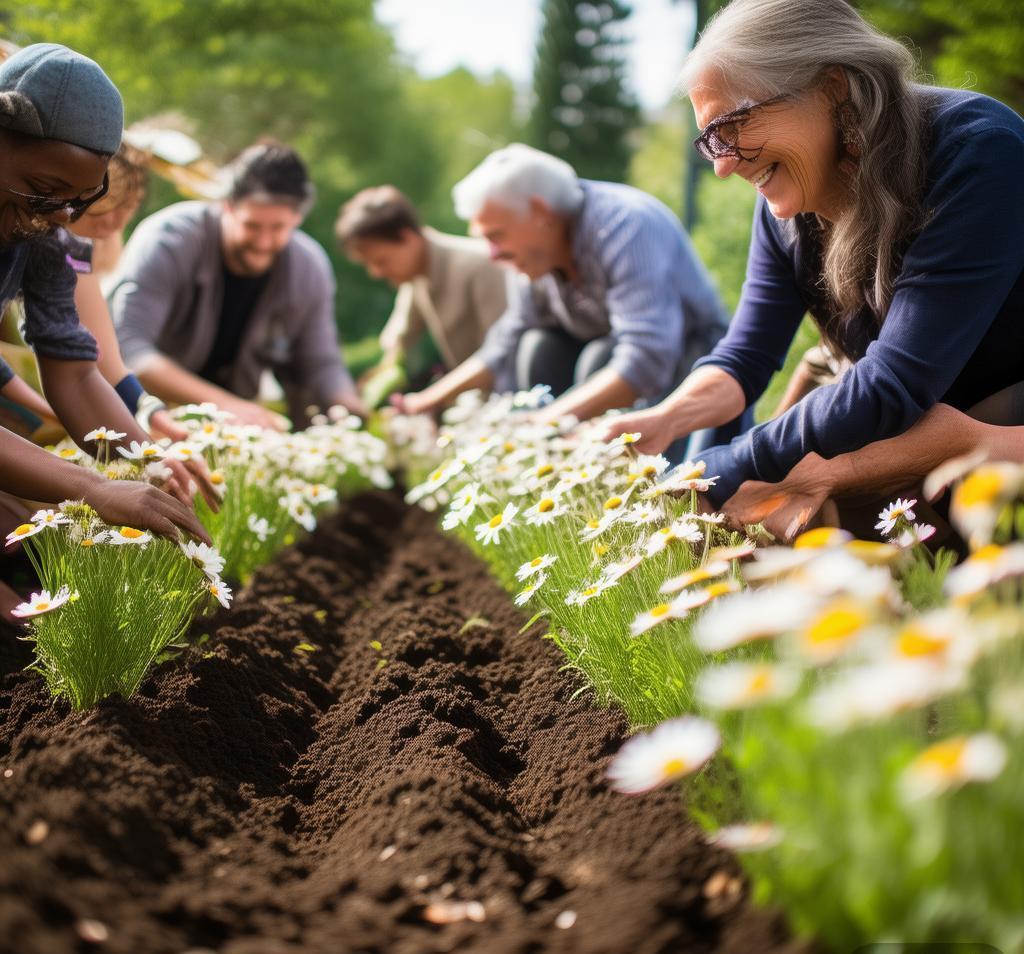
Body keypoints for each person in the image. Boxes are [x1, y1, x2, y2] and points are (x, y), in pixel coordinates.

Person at [597, 0, 1024, 531]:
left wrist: (719, 469)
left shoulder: (976, 152)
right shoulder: (789, 200)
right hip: (919, 422)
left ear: (833, 89)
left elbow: (893, 383)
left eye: (732, 124)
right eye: (710, 141)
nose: (724, 165)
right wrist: (663, 420)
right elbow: (747, 356)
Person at [0, 43, 209, 545]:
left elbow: (73, 371)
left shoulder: (43, 234)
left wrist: (146, 464)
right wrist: (92, 488)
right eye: (45, 188)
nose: (63, 216)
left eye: (80, 200)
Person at [393, 144, 730, 428]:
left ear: (540, 212)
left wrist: (544, 425)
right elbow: (503, 347)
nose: (493, 255)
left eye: (496, 236)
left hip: (692, 360)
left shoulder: (624, 226)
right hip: (610, 361)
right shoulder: (531, 257)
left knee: (601, 356)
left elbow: (646, 356)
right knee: (535, 345)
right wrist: (426, 401)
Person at [109, 142, 366, 430]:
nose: (264, 242)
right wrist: (224, 405)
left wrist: (347, 406)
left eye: (279, 228)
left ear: (297, 218)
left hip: (233, 432)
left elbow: (320, 361)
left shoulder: (309, 267)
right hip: (143, 420)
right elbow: (128, 347)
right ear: (226, 206)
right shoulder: (169, 239)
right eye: (252, 226)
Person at [336, 185, 508, 389]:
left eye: (382, 261)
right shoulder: (417, 276)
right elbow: (399, 338)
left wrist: (431, 399)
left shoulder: (479, 265)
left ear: (408, 237)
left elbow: (501, 352)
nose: (376, 273)